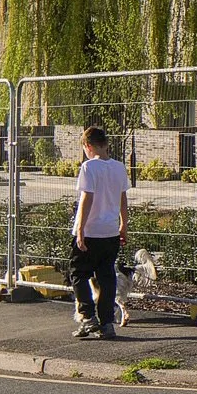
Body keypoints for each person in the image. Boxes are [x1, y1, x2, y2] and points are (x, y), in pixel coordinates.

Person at [69, 123, 130, 339]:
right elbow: (123, 198)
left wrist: (81, 230)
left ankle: (87, 316)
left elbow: (87, 198)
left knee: (78, 273)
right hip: (110, 231)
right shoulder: (119, 167)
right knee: (106, 278)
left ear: (88, 146)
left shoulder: (88, 167)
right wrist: (124, 224)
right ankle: (107, 323)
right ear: (105, 144)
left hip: (91, 230)